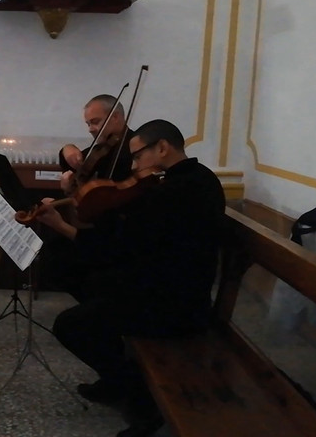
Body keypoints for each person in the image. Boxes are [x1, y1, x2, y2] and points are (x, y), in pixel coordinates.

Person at [36, 120, 225, 437]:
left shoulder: (177, 190)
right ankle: (117, 378)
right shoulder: (191, 179)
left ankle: (141, 401)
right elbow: (131, 237)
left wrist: (62, 226)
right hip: (165, 283)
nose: (134, 166)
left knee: (71, 325)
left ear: (162, 148)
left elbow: (120, 247)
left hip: (175, 304)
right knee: (78, 275)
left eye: (137, 157)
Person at [39, 94, 136, 302]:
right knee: (53, 252)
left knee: (59, 259)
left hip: (119, 236)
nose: (91, 128)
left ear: (117, 118)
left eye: (95, 122)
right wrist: (68, 149)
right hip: (99, 228)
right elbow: (70, 162)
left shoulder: (134, 151)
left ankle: (100, 306)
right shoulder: (103, 147)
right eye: (88, 123)